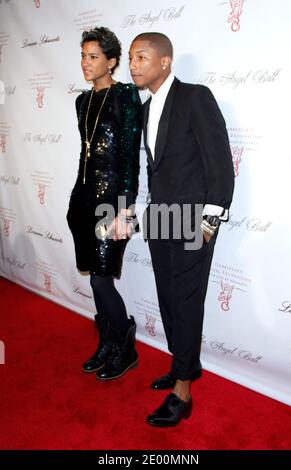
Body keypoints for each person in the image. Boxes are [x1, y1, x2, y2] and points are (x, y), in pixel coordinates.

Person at [129, 32, 234, 426]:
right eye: (131, 58)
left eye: (141, 57)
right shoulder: (145, 109)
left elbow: (220, 163)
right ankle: (182, 366)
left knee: (187, 303)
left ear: (165, 61)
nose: (134, 65)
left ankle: (183, 391)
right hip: (161, 219)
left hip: (194, 221)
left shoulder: (195, 97)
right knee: (169, 298)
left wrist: (208, 223)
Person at [67, 27, 142, 381]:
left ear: (112, 62)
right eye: (83, 55)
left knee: (100, 281)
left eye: (93, 56)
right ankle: (108, 342)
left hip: (111, 204)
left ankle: (125, 347)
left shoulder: (125, 97)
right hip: (82, 201)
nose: (86, 62)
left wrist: (125, 209)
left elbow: (129, 157)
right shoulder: (82, 101)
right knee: (97, 279)